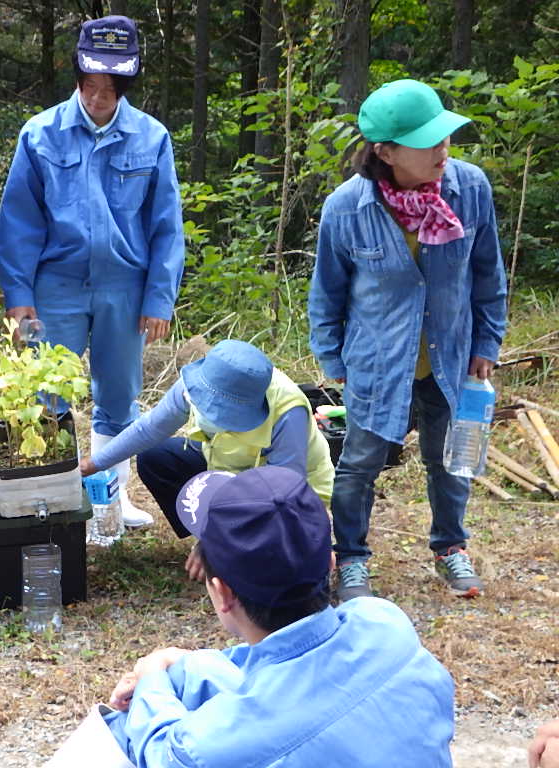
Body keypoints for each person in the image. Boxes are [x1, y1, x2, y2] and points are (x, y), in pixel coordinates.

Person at [100, 465, 455, 766]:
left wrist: (150, 677)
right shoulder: (383, 622)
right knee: (187, 674)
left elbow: (165, 751)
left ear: (222, 593)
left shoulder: (204, 750)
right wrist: (175, 662)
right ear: (331, 565)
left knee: (123, 732)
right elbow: (285, 666)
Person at [308, 79, 507, 602]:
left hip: (454, 357)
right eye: (429, 142)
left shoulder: (470, 189)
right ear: (387, 151)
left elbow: (488, 275)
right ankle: (351, 558)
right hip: (377, 362)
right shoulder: (347, 208)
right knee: (359, 464)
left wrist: (488, 341)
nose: (444, 150)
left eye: (446, 138)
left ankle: (450, 547)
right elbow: (326, 292)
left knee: (451, 458)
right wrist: (332, 356)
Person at [0, 15, 185, 529]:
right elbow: (18, 222)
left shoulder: (152, 137)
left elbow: (167, 225)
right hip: (54, 287)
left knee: (119, 396)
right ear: (78, 76)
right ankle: (50, 498)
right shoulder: (40, 134)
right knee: (45, 393)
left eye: (111, 87)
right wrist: (18, 294)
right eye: (91, 85)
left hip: (125, 287)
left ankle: (113, 499)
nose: (100, 98)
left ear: (126, 84)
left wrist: (158, 299)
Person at [80, 339, 334, 580]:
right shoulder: (199, 383)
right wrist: (93, 465)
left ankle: (235, 547)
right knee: (157, 458)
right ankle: (228, 544)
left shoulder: (288, 411)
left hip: (291, 489)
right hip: (226, 468)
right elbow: (149, 429)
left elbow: (283, 491)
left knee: (277, 566)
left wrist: (215, 538)